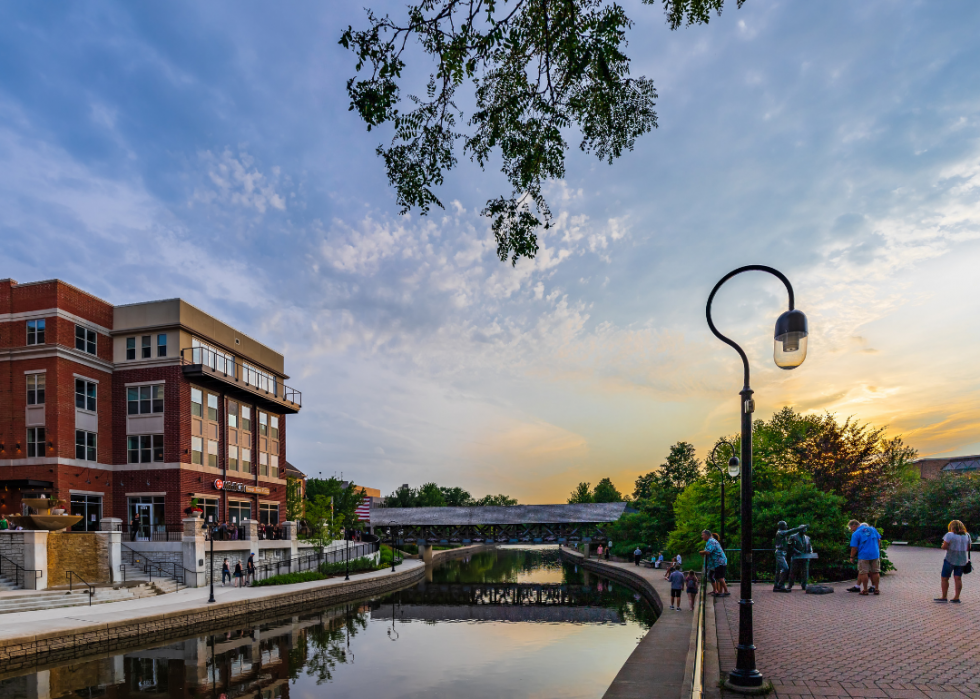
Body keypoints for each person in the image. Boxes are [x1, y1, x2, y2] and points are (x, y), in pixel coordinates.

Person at [936, 520, 971, 603]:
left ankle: (944, 596)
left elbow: (944, 546)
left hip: (950, 558)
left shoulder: (949, 535)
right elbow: (968, 548)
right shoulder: (967, 535)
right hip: (962, 560)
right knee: (958, 578)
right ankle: (956, 597)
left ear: (952, 527)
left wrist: (946, 546)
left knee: (945, 578)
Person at [847, 519, 882, 595]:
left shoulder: (856, 533)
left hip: (864, 555)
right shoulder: (872, 529)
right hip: (875, 554)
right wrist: (876, 549)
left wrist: (851, 557)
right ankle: (876, 589)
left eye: (851, 528)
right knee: (875, 571)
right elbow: (879, 540)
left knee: (863, 572)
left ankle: (865, 590)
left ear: (854, 525)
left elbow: (854, 548)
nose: (851, 530)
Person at [699, 529, 730, 596]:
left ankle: (726, 591)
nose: (702, 537)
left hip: (719, 562)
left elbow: (708, 552)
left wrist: (701, 552)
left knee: (720, 577)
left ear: (707, 535)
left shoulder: (711, 541)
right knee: (714, 576)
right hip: (716, 562)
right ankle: (717, 591)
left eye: (703, 535)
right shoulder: (709, 541)